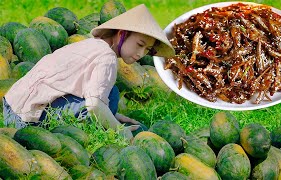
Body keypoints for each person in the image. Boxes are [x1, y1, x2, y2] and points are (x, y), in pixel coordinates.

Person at [2, 4, 175, 139]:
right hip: (26, 120)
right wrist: (121, 132)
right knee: (111, 97)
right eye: (140, 44)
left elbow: (82, 90)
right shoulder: (107, 58)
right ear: (122, 34)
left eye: (148, 50)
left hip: (12, 108)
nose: (141, 53)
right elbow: (94, 105)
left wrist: (113, 116)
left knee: (109, 96)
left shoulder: (91, 44)